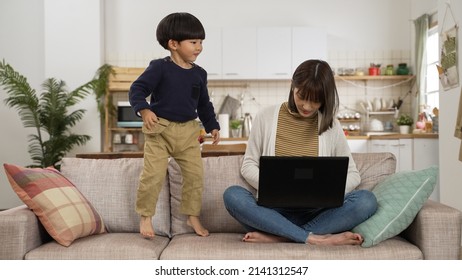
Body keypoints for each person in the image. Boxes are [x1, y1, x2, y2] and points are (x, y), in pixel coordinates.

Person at [223, 60, 377, 245]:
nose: (307, 106)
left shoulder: (331, 126)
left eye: (315, 100)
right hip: (273, 213)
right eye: (302, 96)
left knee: (367, 201)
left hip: (319, 213)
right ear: (292, 85)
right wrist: (276, 187)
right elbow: (248, 165)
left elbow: (353, 175)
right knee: (232, 195)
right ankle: (313, 238)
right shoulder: (265, 117)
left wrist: (323, 192)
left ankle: (282, 236)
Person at [129, 12, 220, 239]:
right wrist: (144, 109)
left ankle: (192, 216)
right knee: (153, 175)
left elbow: (203, 104)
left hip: (188, 133)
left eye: (201, 42)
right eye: (193, 42)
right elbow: (137, 90)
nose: (199, 47)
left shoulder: (200, 74)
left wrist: (212, 125)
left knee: (195, 176)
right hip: (160, 132)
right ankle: (145, 216)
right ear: (173, 44)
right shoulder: (160, 67)